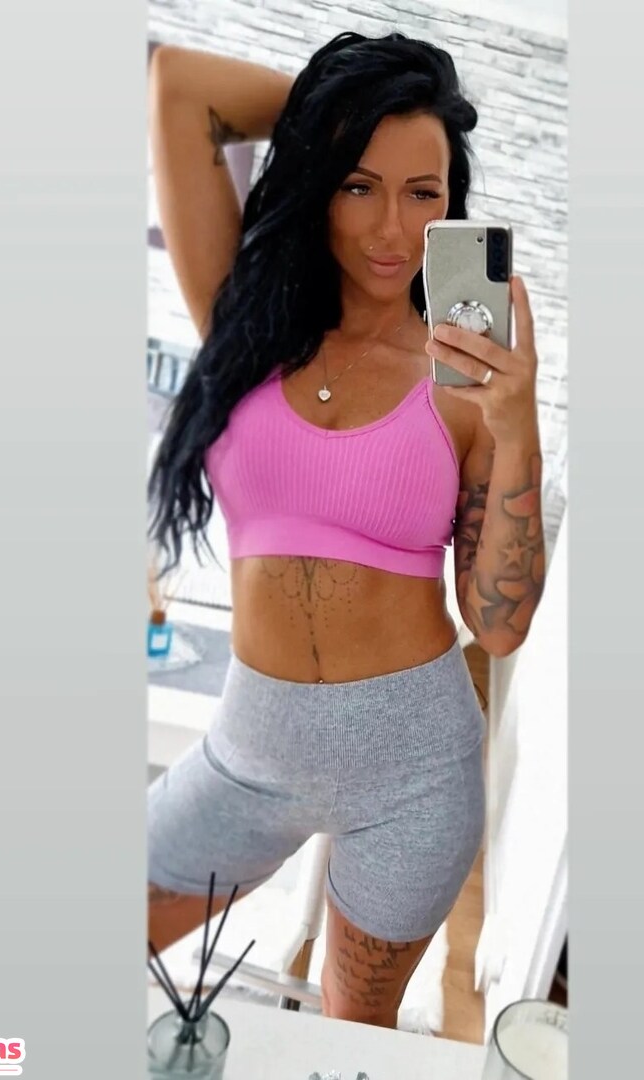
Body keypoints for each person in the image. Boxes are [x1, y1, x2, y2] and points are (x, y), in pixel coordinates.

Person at [146, 30, 546, 1030]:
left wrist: (516, 422)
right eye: (359, 184)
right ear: (320, 181)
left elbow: (497, 626)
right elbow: (181, 87)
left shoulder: (465, 371)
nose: (392, 229)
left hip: (411, 776)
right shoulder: (248, 321)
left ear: (452, 204)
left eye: (423, 192)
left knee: (344, 1036)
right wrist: (351, 108)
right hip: (247, 758)